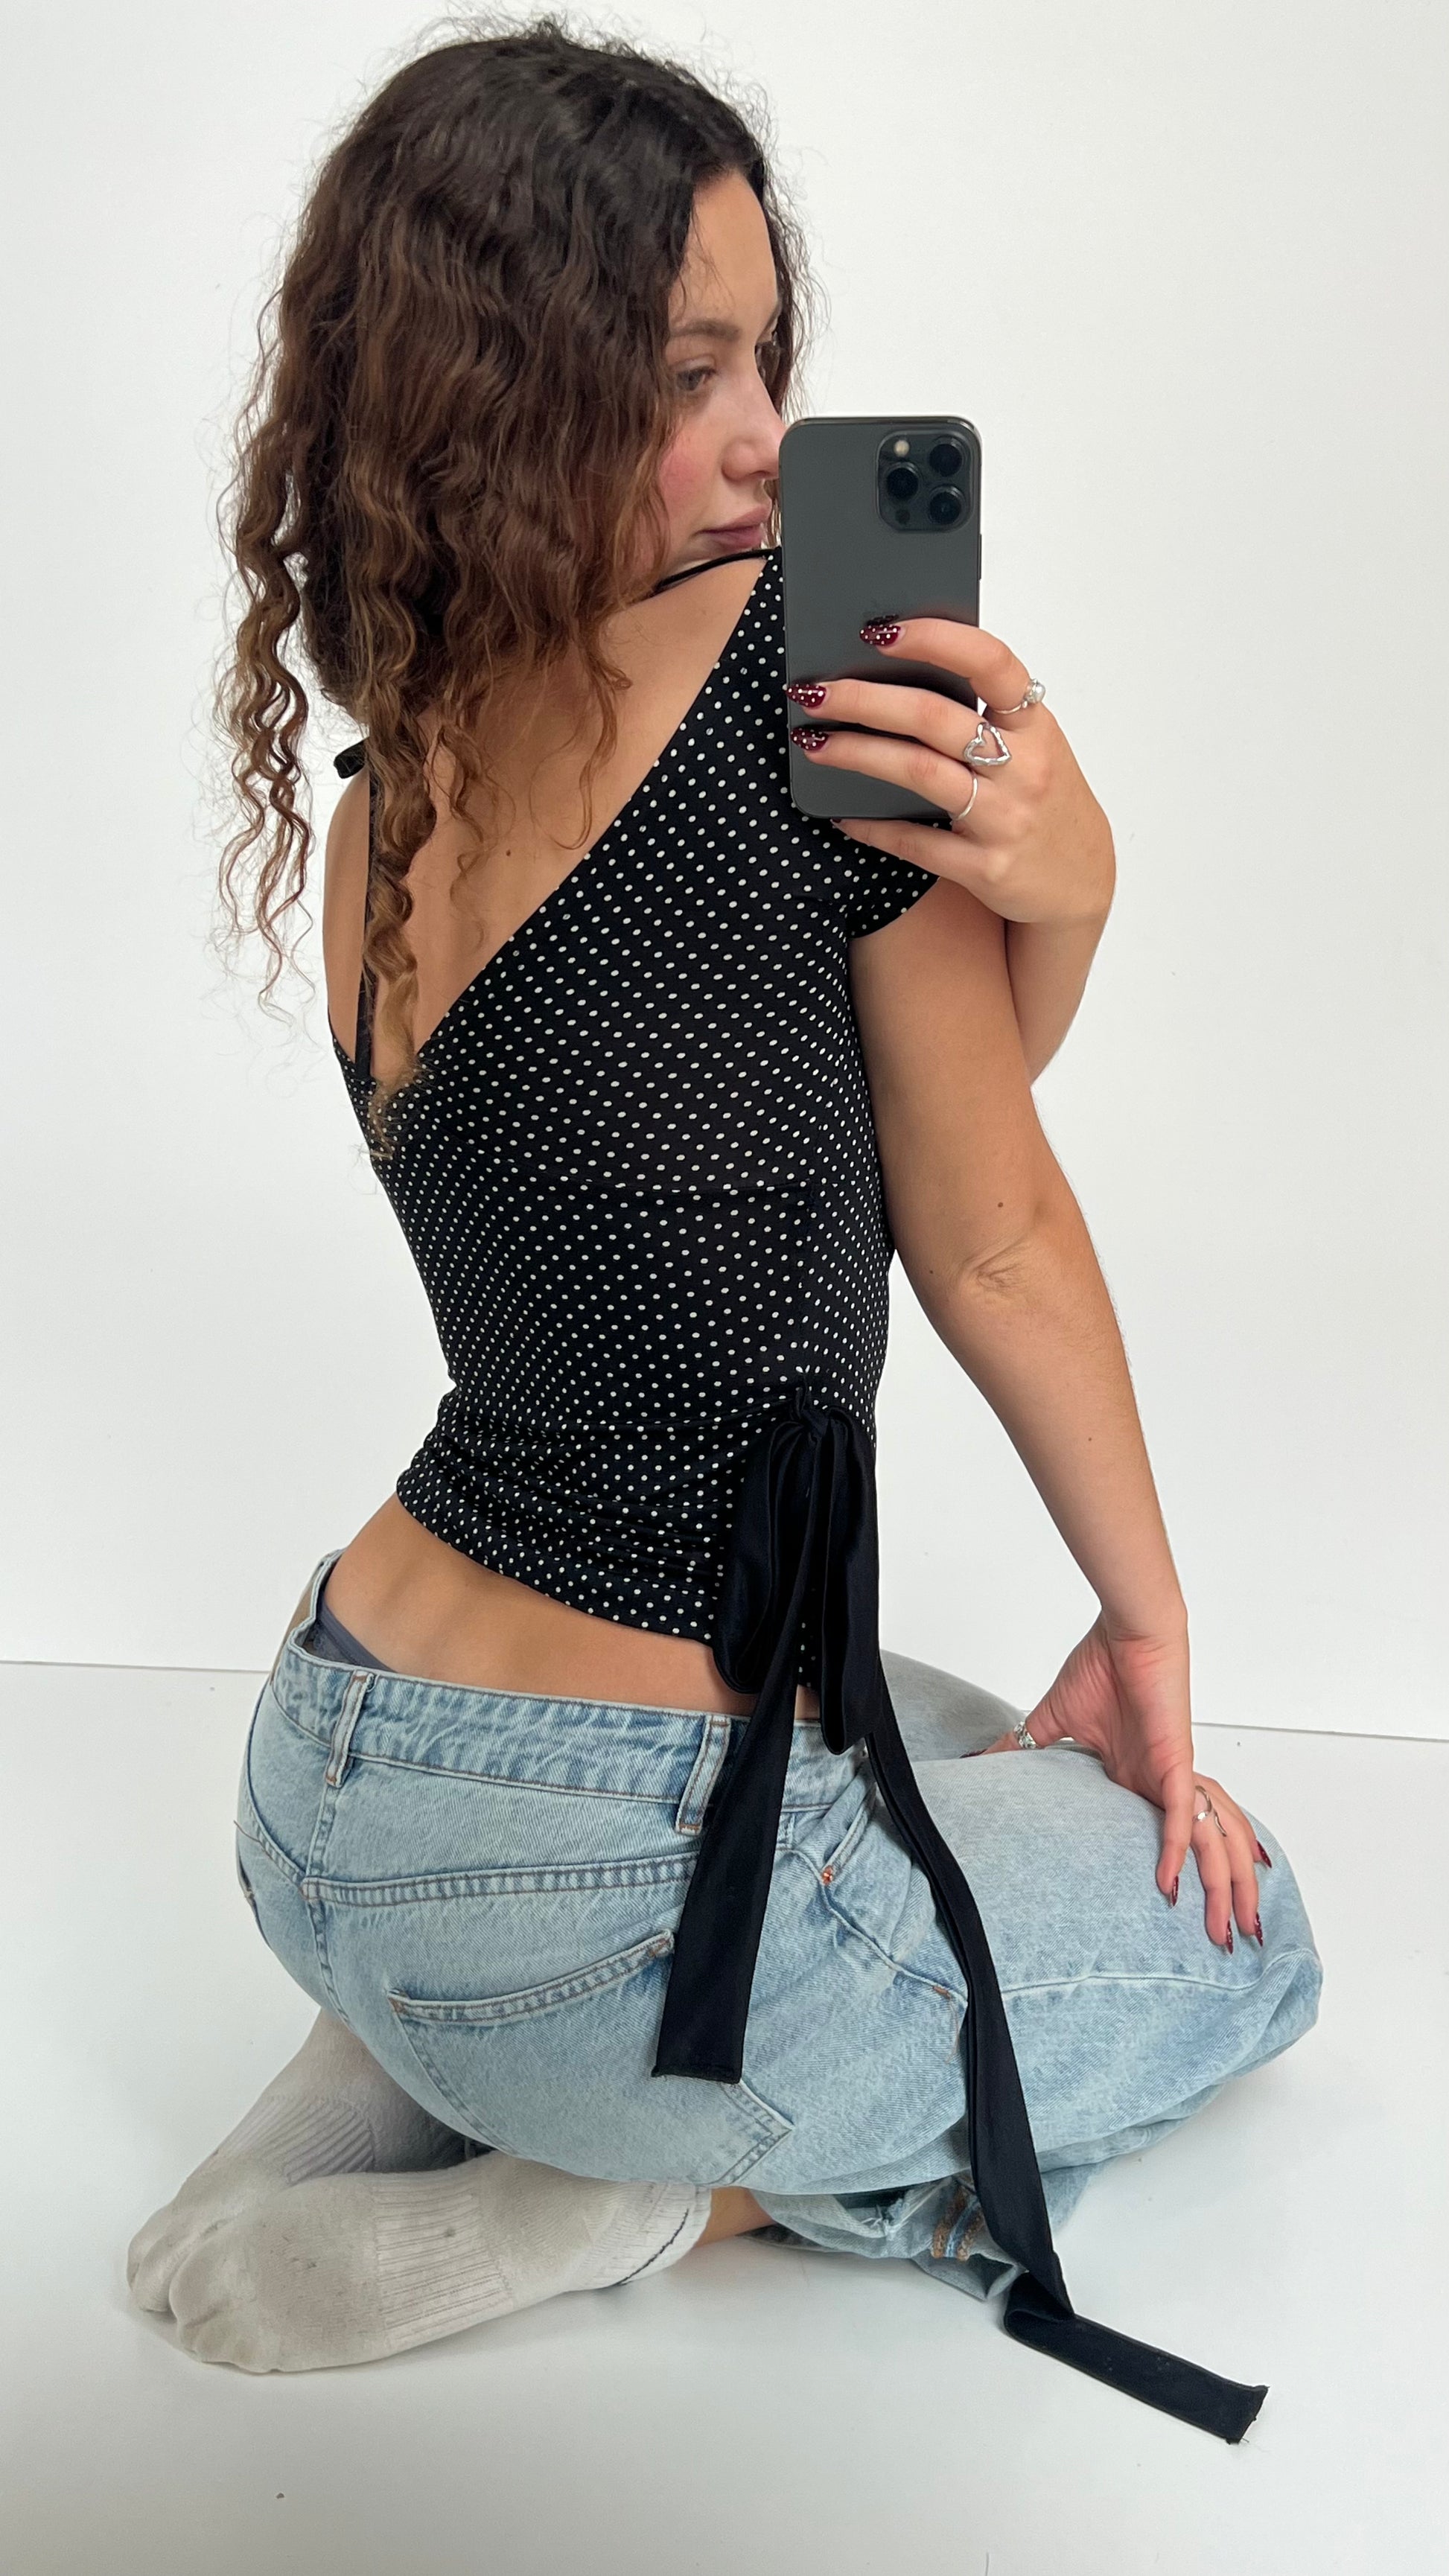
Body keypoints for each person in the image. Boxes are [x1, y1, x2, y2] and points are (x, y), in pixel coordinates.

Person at [128, 22, 1321, 2435]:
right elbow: (981, 1225)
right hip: (596, 1885)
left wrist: (1058, 899)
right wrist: (1148, 1618)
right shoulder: (799, 678)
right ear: (506, 393)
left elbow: (825, 1134)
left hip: (323, 1758)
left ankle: (397, 2033)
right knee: (1247, 1926)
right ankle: (636, 2190)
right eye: (686, 376)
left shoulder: (378, 803)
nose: (768, 435)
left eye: (771, 357)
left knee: (943, 1721)